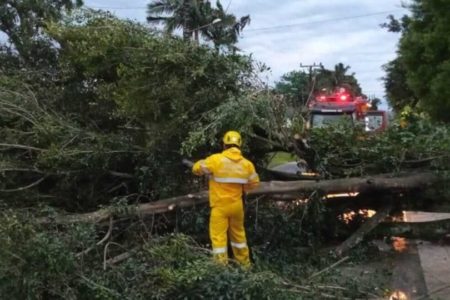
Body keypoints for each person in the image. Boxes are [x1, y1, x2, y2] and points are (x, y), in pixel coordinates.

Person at [192, 131, 259, 266]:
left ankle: (221, 268)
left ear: (224, 145)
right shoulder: (247, 164)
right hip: (237, 206)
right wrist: (244, 189)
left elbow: (197, 169)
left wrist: (199, 163)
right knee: (239, 237)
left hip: (220, 206)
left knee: (219, 239)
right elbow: (254, 184)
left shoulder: (216, 160)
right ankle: (244, 266)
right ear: (239, 145)